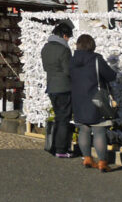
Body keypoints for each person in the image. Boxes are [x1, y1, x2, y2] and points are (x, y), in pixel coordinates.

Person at [69, 34, 117, 171]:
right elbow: (110, 76)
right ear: (92, 45)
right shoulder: (96, 59)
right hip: (95, 99)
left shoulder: (72, 60)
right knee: (99, 130)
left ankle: (87, 159)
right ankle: (102, 162)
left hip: (78, 100)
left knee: (83, 129)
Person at [41, 21, 74, 158]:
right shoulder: (64, 49)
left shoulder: (46, 47)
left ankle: (54, 146)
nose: (68, 40)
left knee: (58, 117)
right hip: (64, 87)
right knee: (64, 119)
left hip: (51, 86)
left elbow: (45, 68)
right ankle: (61, 149)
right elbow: (68, 70)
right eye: (68, 37)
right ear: (64, 35)